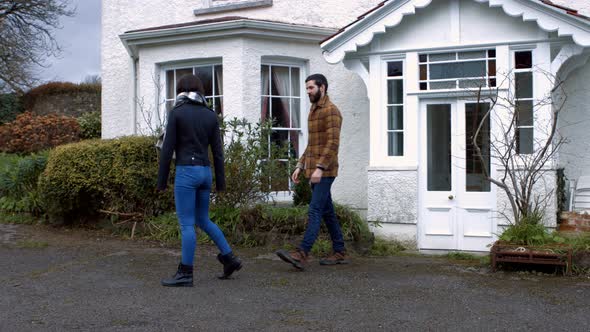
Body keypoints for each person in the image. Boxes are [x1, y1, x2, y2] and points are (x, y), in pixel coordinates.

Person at [157, 74, 242, 287]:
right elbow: (219, 152)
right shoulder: (210, 115)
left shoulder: (177, 113)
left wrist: (161, 180)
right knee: (203, 219)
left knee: (186, 224)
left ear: (180, 90)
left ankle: (185, 273)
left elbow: (167, 150)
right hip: (205, 172)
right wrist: (221, 182)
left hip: (187, 172)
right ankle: (229, 258)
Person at [276, 73, 349, 270]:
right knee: (327, 212)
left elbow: (333, 143)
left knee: (315, 209)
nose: (308, 91)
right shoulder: (313, 110)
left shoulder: (332, 111)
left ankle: (302, 253)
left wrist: (319, 168)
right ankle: (340, 251)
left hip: (325, 171)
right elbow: (312, 144)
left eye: (311, 88)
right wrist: (301, 165)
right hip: (314, 170)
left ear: (322, 87)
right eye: (307, 88)